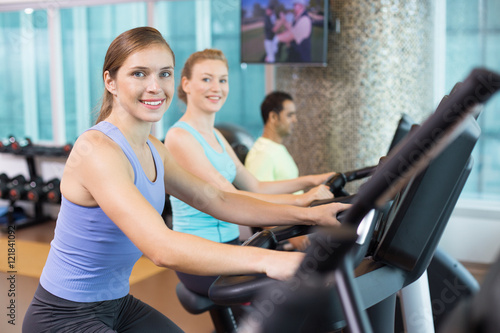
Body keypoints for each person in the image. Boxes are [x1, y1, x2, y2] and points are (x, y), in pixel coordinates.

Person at [22, 27, 348, 333]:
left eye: (164, 73)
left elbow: (216, 199)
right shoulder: (97, 150)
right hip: (62, 315)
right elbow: (161, 247)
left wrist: (309, 212)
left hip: (117, 304)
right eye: (139, 74)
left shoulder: (153, 147)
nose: (155, 86)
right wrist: (269, 260)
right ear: (110, 81)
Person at [164, 48, 338, 296]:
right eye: (206, 79)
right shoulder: (179, 137)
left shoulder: (216, 136)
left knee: (303, 278)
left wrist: (313, 180)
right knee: (292, 288)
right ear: (186, 84)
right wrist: (302, 203)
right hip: (200, 254)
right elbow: (227, 195)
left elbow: (255, 186)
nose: (217, 87)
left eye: (223, 80)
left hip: (230, 246)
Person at [245, 91, 311, 250]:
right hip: (286, 239)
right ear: (273, 117)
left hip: (299, 227)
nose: (294, 120)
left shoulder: (275, 149)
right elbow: (258, 207)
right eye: (290, 115)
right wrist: (293, 236)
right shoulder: (262, 154)